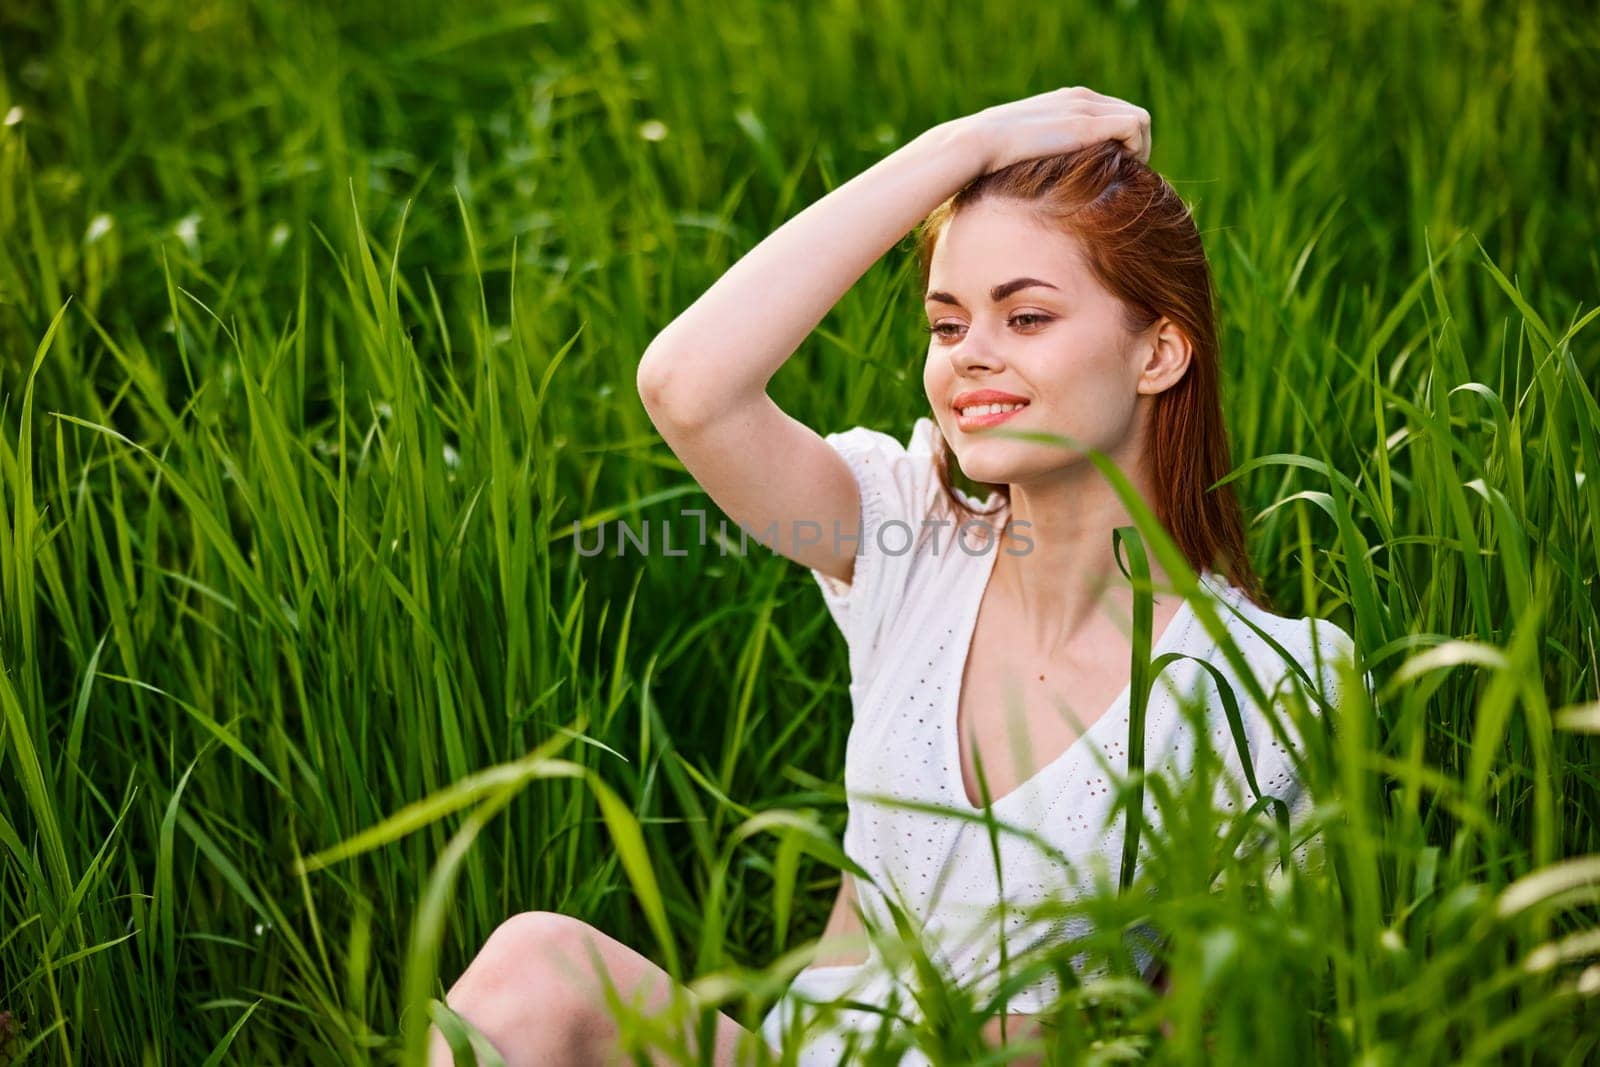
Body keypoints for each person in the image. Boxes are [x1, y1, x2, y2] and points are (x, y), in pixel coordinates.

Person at [430, 86, 1357, 1066]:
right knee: (530, 969)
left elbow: (1238, 1029)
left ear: (1158, 351)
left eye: (1027, 315)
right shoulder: (912, 537)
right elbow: (686, 385)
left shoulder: (1271, 681)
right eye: (947, 325)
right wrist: (964, 146)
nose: (972, 358)